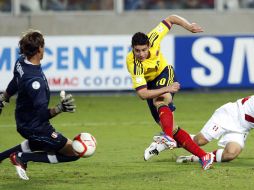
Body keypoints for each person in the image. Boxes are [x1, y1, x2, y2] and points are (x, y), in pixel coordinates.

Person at [126, 14, 214, 170]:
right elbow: (142, 94)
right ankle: (204, 156)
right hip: (150, 85)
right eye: (137, 51)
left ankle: (166, 138)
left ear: (148, 45)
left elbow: (172, 18)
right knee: (172, 128)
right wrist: (167, 88)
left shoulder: (153, 38)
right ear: (133, 48)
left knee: (160, 100)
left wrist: (188, 26)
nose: (141, 54)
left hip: (164, 73)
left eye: (144, 50)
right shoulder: (133, 63)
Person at [0, 29, 80, 180]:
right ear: (39, 49)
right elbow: (42, 115)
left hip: (24, 120)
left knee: (35, 144)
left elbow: (15, 81)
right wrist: (60, 108)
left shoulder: (21, 62)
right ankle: (22, 157)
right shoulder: (36, 82)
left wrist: (4, 98)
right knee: (74, 152)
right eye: (43, 46)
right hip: (35, 127)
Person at [176, 95, 254, 164]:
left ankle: (194, 158)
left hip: (242, 128)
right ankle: (168, 141)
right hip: (230, 114)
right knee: (200, 140)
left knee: (230, 154)